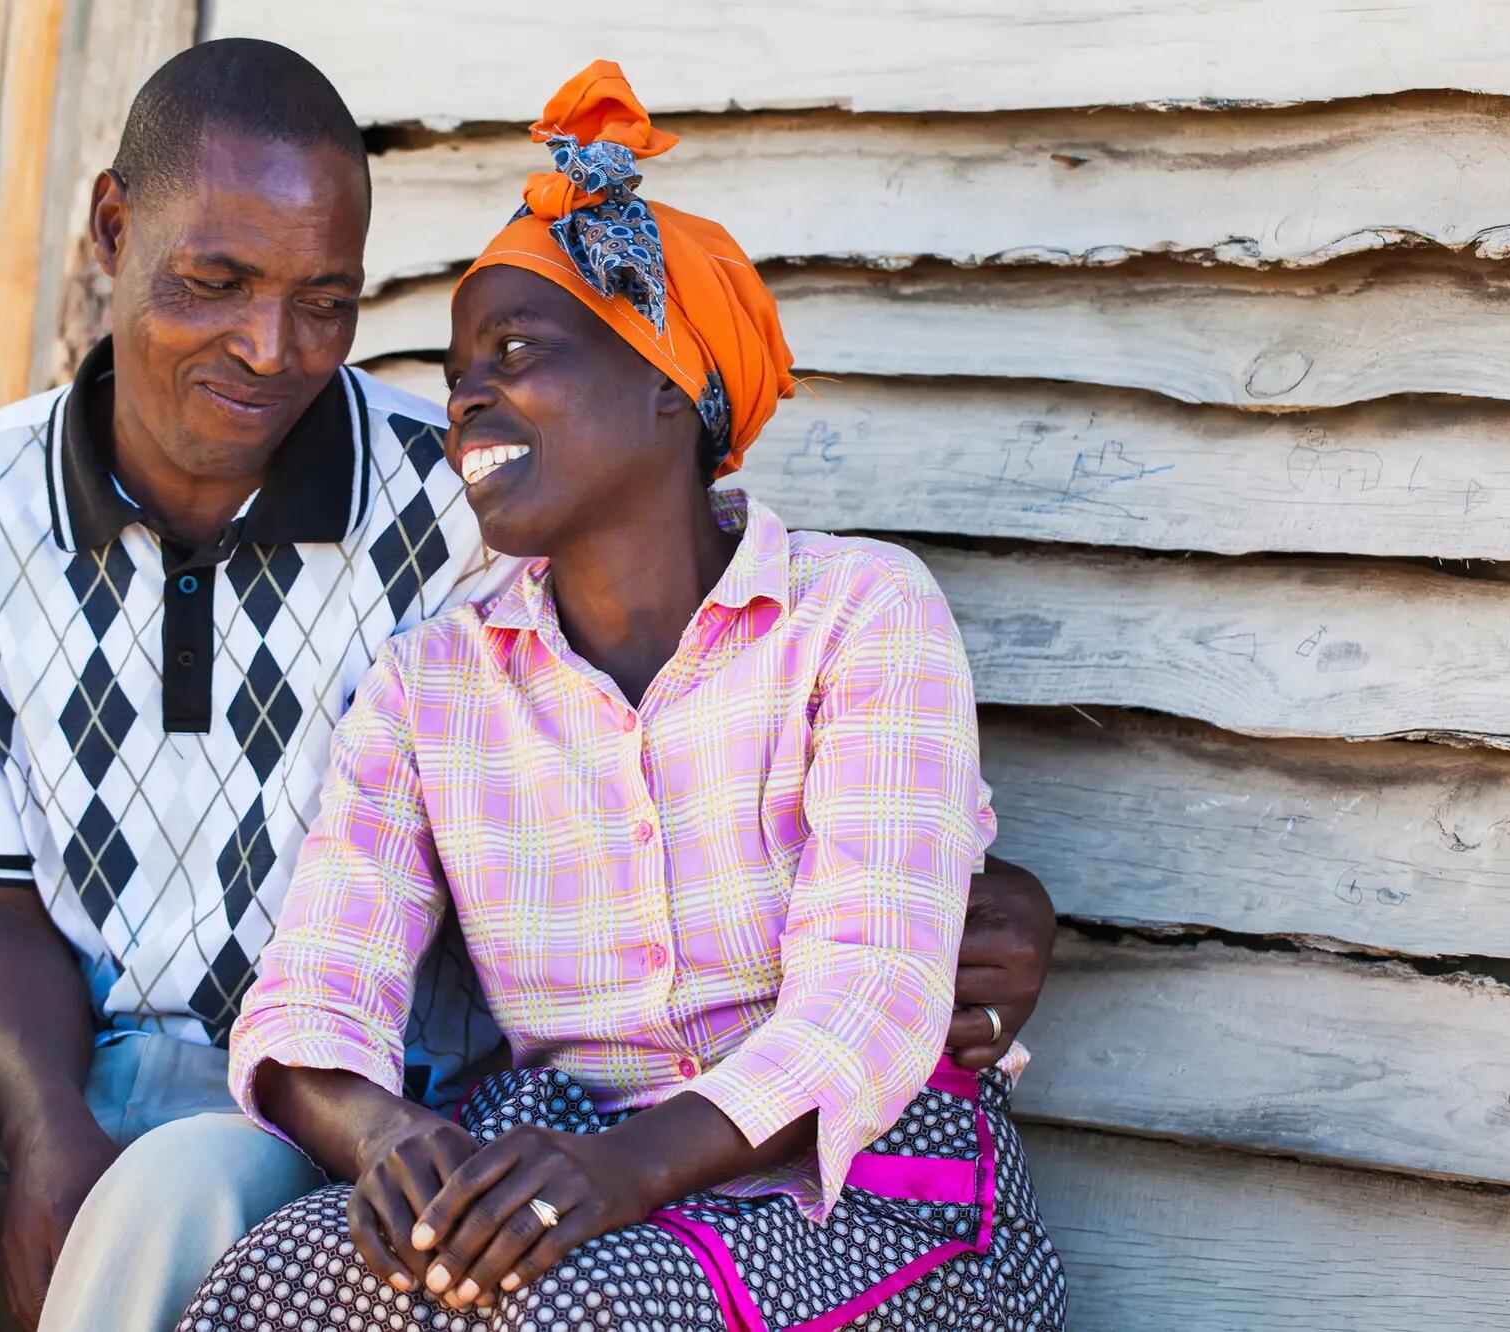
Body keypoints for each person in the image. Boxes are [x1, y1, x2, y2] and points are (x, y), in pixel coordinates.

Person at [0, 40, 1056, 1332]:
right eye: (216, 283)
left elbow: (797, 830)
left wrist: (961, 905)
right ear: (111, 230)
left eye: (322, 304)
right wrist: (45, 1129)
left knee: (190, 1201)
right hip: (124, 1071)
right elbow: (11, 900)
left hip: (381, 1121)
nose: (270, 350)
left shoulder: (459, 514)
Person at [180, 63, 1066, 1332]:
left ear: (669, 383)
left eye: (517, 353)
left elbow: (867, 999)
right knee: (278, 1275)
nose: (467, 395)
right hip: (566, 1165)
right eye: (456, 369)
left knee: (559, 1311)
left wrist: (620, 1175)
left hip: (863, 1195)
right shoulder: (434, 684)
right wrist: (386, 1139)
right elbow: (315, 986)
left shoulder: (859, 615)